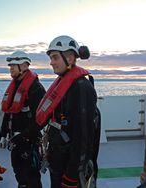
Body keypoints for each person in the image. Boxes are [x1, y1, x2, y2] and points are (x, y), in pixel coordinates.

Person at [36, 35, 101, 188]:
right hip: (58, 160)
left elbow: (83, 136)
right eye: (51, 58)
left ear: (70, 58)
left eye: (55, 57)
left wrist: (72, 175)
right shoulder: (64, 85)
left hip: (70, 168)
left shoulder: (81, 88)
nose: (51, 62)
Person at [0, 50, 46, 188]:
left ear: (25, 66)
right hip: (16, 141)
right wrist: (3, 133)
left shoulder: (36, 88)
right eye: (10, 65)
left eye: (14, 65)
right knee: (19, 173)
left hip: (29, 142)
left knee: (32, 176)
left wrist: (24, 136)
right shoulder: (14, 87)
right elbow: (8, 112)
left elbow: (41, 120)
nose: (11, 68)